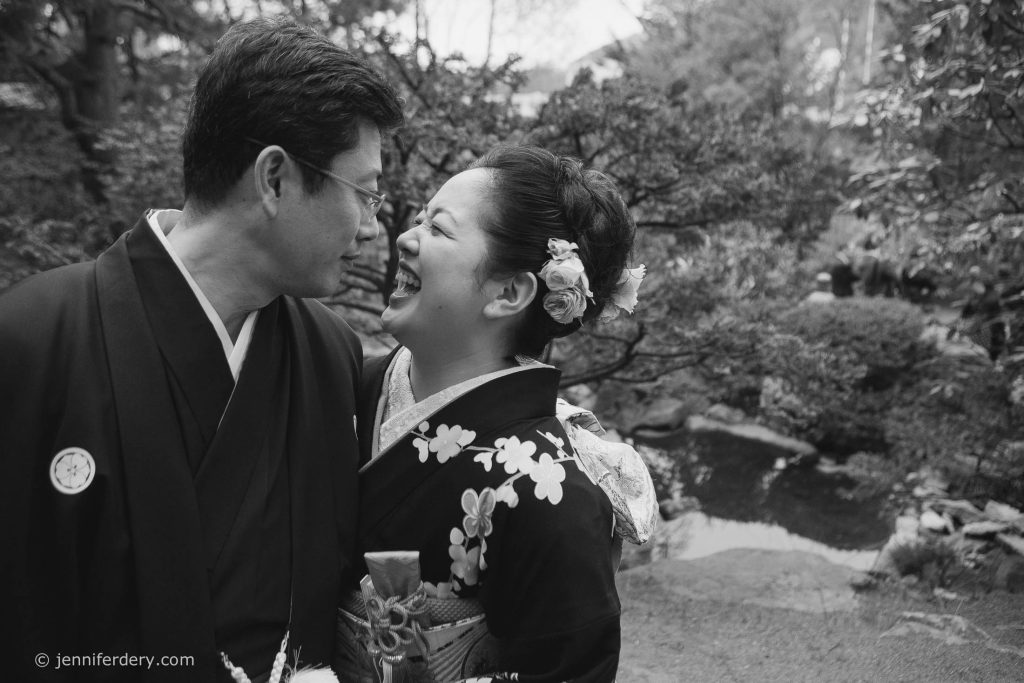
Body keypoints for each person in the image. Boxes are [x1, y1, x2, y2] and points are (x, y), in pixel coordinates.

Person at [0, 18, 403, 683]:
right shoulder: (31, 341)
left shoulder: (330, 354)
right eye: (364, 192)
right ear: (275, 178)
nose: (369, 224)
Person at [335, 146, 656, 682]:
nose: (404, 237)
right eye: (418, 219)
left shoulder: (551, 493)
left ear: (509, 292)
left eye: (437, 230)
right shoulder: (346, 389)